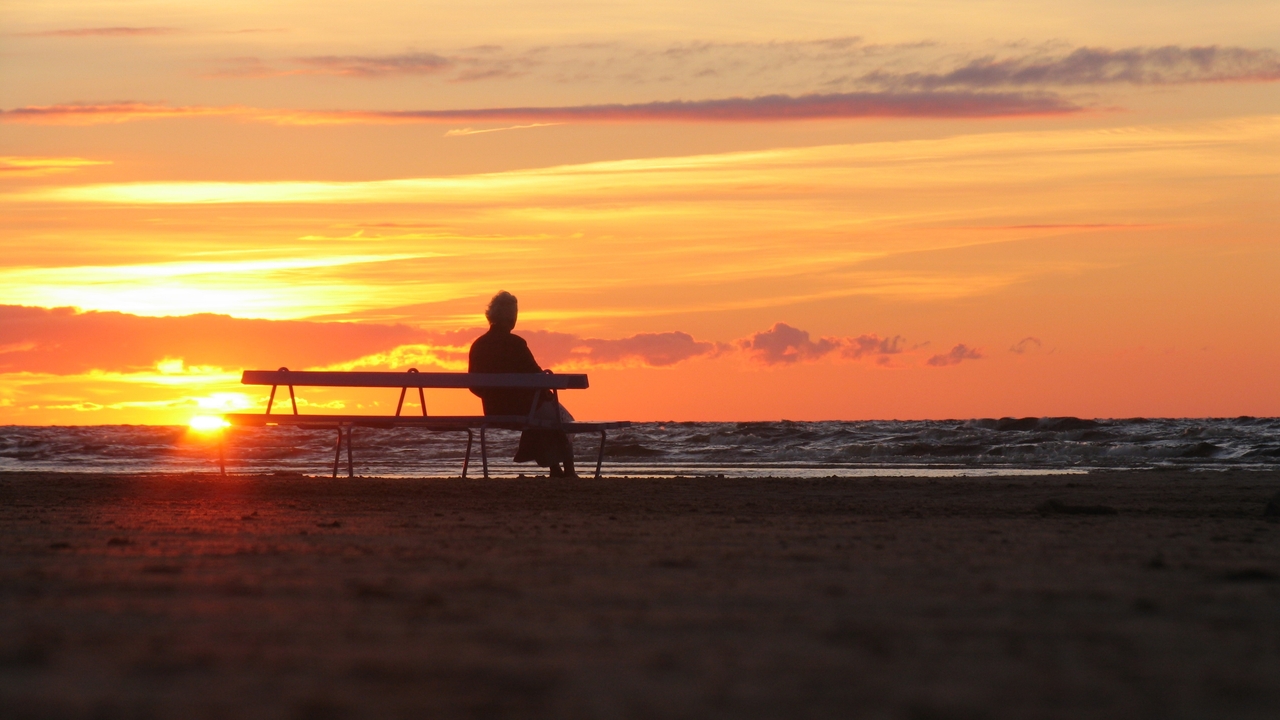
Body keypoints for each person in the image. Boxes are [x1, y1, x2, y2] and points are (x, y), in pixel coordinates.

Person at [468, 291, 577, 477]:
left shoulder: (478, 345)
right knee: (564, 419)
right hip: (524, 407)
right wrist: (546, 394)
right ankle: (568, 470)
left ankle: (556, 469)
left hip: (493, 410)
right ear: (512, 317)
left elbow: (473, 385)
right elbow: (537, 375)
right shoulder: (515, 344)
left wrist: (492, 395)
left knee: (541, 418)